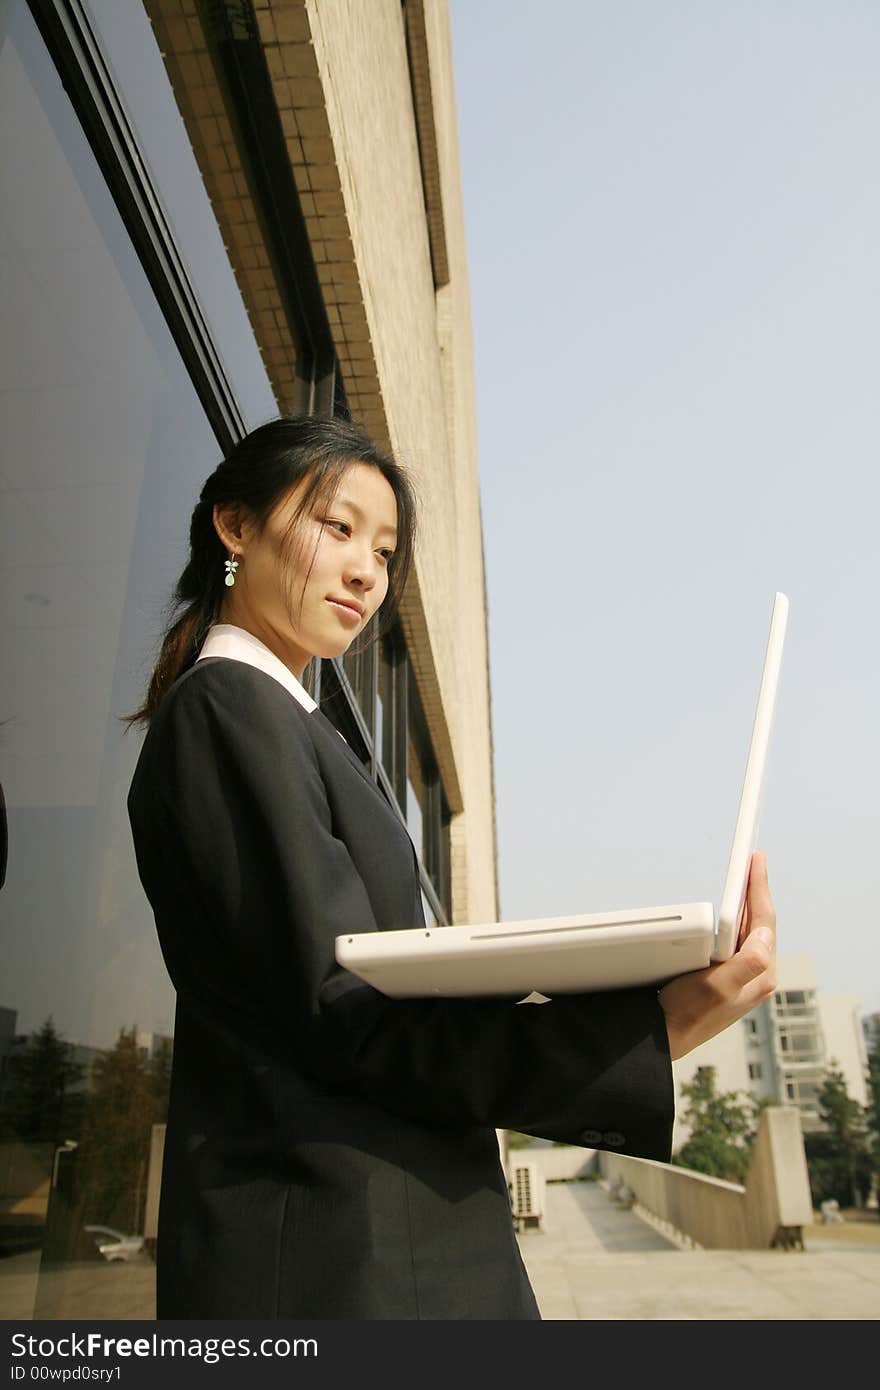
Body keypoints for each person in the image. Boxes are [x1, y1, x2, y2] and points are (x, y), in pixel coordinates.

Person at [125, 415, 777, 1320]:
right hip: (338, 1262)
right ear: (234, 527)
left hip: (383, 1246)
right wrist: (648, 1032)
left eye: (385, 551)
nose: (366, 571)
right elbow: (354, 1021)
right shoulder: (231, 708)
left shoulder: (291, 723)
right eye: (337, 527)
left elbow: (375, 1005)